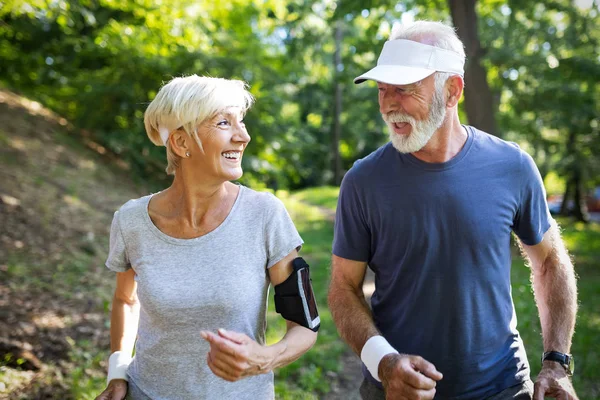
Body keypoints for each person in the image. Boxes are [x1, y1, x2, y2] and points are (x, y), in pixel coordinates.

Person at [328, 21, 578, 400]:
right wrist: (384, 363)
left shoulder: (512, 166)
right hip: (395, 391)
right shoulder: (363, 181)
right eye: (382, 90)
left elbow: (549, 262)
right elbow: (343, 288)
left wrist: (556, 362)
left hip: (502, 387)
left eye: (405, 89)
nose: (388, 103)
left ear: (452, 91)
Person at [95, 75, 318, 400]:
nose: (243, 136)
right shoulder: (131, 221)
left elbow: (305, 325)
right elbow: (126, 300)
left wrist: (265, 358)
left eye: (241, 123)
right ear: (181, 143)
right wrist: (117, 373)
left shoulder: (265, 214)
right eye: (224, 122)